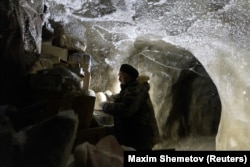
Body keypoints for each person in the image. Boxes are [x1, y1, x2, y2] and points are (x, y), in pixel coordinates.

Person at [100, 64, 160, 150]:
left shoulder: (137, 89)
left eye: (120, 75)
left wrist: (105, 106)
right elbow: (126, 96)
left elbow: (125, 110)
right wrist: (114, 97)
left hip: (141, 138)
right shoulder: (132, 87)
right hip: (136, 136)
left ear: (126, 76)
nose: (119, 78)